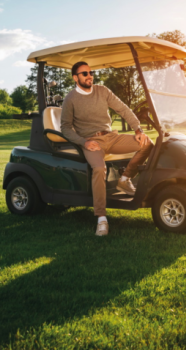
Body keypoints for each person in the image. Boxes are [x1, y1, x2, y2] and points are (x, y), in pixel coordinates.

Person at [60, 61, 154, 236]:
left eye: (91, 72)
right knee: (99, 168)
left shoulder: (102, 91)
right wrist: (83, 142)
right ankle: (101, 218)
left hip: (111, 136)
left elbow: (123, 109)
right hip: (92, 141)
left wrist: (138, 129)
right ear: (75, 78)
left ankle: (125, 179)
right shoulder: (70, 99)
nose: (90, 76)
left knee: (147, 144)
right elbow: (65, 127)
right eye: (85, 74)